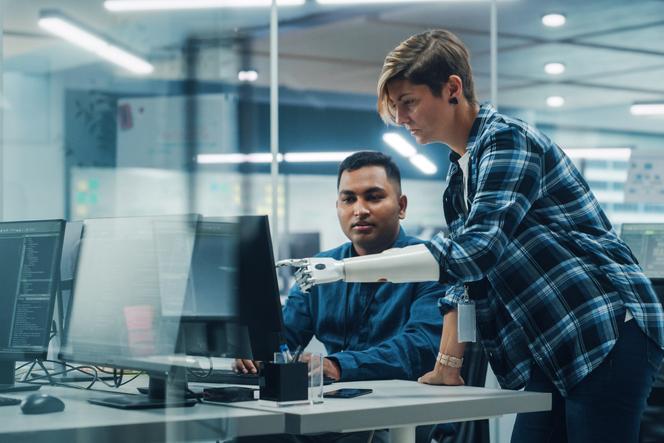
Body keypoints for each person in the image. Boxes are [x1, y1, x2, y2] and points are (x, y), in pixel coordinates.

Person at [279, 30, 664, 443]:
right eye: (396, 106)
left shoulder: (507, 140)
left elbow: (476, 251)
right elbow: (465, 280)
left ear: (452, 89)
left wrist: (342, 270)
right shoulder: (461, 173)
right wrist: (448, 364)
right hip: (552, 345)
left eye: (408, 102)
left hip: (603, 329)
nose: (401, 117)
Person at [236, 151, 447, 443]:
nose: (359, 209)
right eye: (348, 199)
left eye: (373, 197)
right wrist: (253, 351)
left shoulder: (430, 264)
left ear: (401, 206)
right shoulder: (321, 269)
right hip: (330, 412)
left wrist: (337, 365)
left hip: (398, 417)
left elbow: (420, 347)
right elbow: (283, 335)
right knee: (251, 434)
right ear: (337, 206)